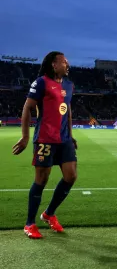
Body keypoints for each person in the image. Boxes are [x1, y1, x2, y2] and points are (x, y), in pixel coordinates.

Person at [12, 52, 77, 239]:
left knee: (71, 176)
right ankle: (29, 223)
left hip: (64, 139)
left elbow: (68, 111)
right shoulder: (41, 82)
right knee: (41, 180)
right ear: (54, 65)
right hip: (45, 138)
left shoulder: (69, 85)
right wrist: (25, 137)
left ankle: (48, 213)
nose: (67, 63)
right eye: (64, 61)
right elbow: (27, 107)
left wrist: (71, 136)